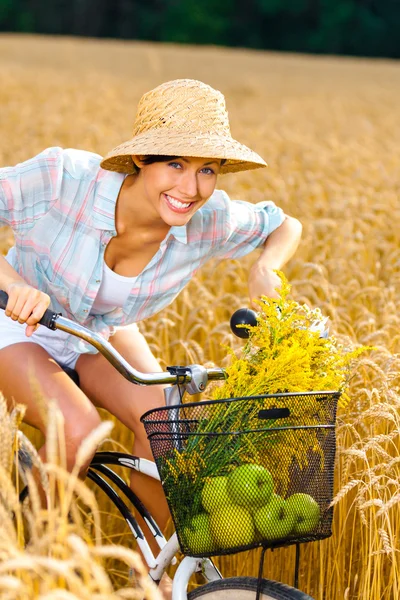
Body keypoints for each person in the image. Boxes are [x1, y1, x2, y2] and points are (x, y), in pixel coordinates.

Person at [0, 79, 302, 595]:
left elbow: (282, 224)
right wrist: (15, 285)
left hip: (98, 332)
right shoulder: (64, 177)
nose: (190, 188)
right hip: (18, 321)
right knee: (76, 430)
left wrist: (265, 270)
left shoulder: (209, 220)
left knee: (168, 430)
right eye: (175, 165)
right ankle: (31, 563)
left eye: (206, 169)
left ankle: (147, 579)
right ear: (141, 158)